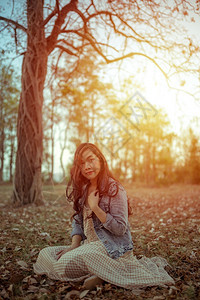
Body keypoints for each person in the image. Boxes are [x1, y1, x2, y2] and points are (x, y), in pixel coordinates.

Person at [33, 142, 174, 293]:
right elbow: (78, 221)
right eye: (82, 163)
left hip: (111, 248)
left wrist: (95, 208)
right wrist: (74, 245)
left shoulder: (115, 189)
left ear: (100, 160)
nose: (87, 166)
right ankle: (100, 273)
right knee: (46, 253)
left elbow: (120, 228)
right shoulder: (83, 188)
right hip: (89, 246)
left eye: (91, 160)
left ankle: (105, 272)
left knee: (63, 265)